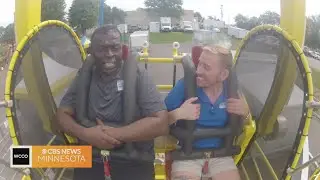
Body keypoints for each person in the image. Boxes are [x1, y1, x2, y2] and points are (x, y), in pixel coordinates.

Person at [56, 24, 169, 180]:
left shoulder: (138, 75)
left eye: (114, 48)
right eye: (101, 49)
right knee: (23, 156)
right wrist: (86, 134)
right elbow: (62, 115)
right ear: (92, 52)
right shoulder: (85, 76)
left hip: (134, 160)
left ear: (122, 49)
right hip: (90, 158)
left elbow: (161, 122)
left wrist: (114, 134)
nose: (109, 54)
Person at [165, 45, 250, 180]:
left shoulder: (232, 89)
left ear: (223, 75)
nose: (198, 71)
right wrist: (179, 113)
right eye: (199, 64)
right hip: (187, 154)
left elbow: (247, 123)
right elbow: (158, 121)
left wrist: (246, 113)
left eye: (206, 67)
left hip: (221, 154)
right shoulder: (185, 86)